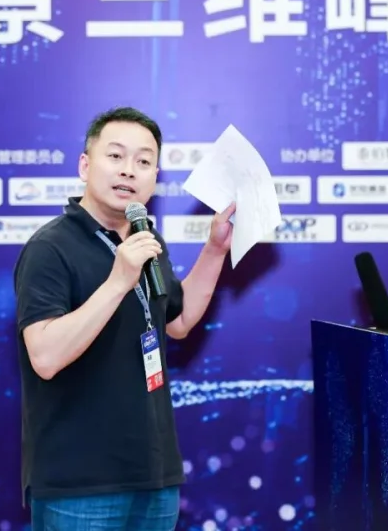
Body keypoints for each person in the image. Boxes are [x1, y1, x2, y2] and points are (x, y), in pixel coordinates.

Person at [13, 106, 234, 530]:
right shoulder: (50, 248)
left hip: (154, 476)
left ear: (155, 177)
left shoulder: (145, 239)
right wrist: (118, 280)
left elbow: (178, 322)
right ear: (85, 165)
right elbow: (45, 356)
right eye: (115, 156)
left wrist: (215, 250)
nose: (129, 170)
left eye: (143, 161)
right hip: (80, 484)